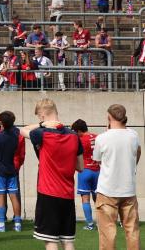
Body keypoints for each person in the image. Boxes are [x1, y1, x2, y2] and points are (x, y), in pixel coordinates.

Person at [20, 99, 84, 249]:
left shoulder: (41, 133)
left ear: (42, 116)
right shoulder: (74, 136)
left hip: (48, 193)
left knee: (50, 241)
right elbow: (80, 166)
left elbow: (22, 130)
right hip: (67, 194)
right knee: (68, 240)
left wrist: (42, 125)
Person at [93, 104, 141, 250]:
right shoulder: (134, 135)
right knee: (132, 232)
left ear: (109, 118)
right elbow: (137, 152)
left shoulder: (102, 138)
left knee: (108, 234)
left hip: (107, 190)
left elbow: (97, 160)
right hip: (128, 190)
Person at [70, 119, 99, 231]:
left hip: (85, 171)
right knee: (99, 200)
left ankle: (90, 224)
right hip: (98, 171)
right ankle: (101, 223)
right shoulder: (97, 137)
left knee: (85, 199)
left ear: (79, 131)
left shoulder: (80, 140)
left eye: (75, 131)